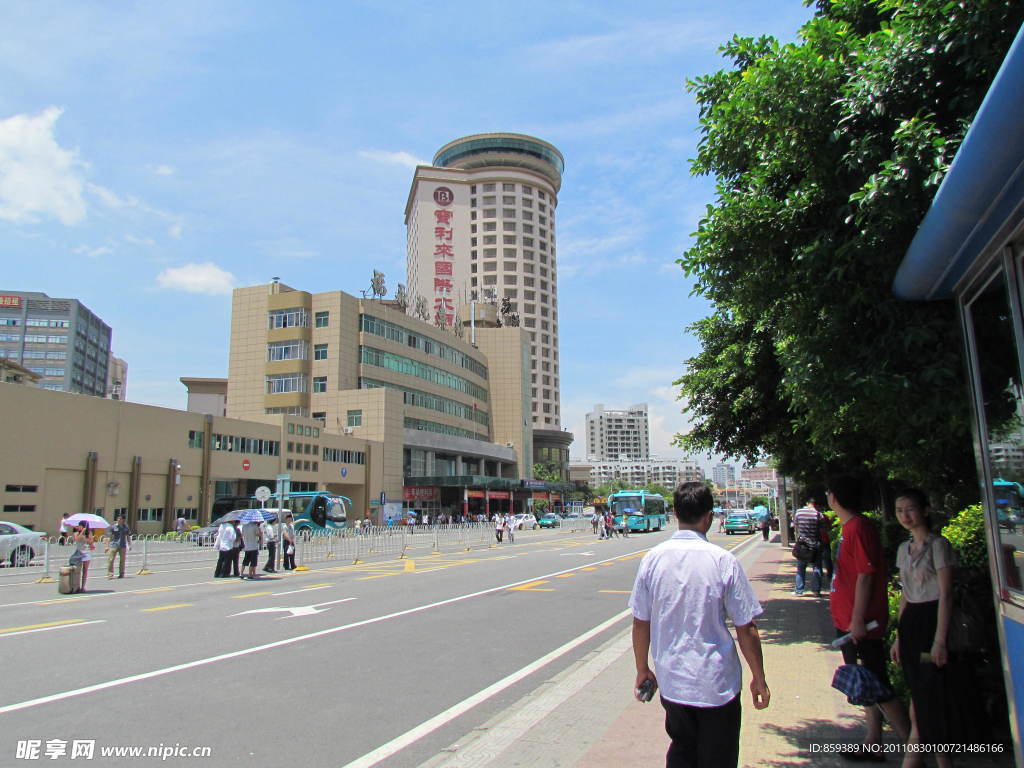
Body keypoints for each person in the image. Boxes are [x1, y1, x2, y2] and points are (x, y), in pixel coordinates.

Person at [630, 481, 769, 768]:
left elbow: (640, 621)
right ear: (708, 516)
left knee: (682, 751)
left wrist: (642, 669)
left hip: (673, 682)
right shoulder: (723, 561)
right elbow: (746, 627)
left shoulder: (652, 560)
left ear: (675, 514)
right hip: (717, 684)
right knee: (718, 757)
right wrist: (759, 676)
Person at [828, 476, 910, 758]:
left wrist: (858, 618)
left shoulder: (858, 528)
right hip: (849, 620)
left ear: (835, 498)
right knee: (864, 683)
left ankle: (914, 751)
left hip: (860, 624)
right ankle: (873, 743)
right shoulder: (849, 527)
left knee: (878, 684)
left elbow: (865, 575)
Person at [890, 488, 968, 767]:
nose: (905, 516)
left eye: (910, 509)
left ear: (924, 510)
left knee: (928, 697)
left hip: (933, 623)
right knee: (920, 697)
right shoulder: (903, 549)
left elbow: (946, 595)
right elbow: (905, 596)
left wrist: (939, 640)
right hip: (911, 625)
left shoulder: (939, 546)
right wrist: (898, 636)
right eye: (899, 511)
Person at [793, 498, 826, 596]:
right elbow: (823, 528)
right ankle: (816, 591)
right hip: (815, 544)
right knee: (816, 568)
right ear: (816, 504)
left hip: (803, 544)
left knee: (800, 568)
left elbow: (795, 525)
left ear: (807, 503)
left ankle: (799, 590)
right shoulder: (818, 514)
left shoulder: (798, 512)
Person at [106, 513, 131, 579]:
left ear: (123, 520)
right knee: (111, 560)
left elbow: (128, 536)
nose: (118, 520)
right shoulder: (113, 527)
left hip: (123, 545)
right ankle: (110, 574)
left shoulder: (126, 527)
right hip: (114, 545)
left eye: (120, 518)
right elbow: (110, 537)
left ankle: (121, 574)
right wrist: (107, 546)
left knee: (122, 560)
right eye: (118, 518)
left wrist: (129, 544)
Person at [72, 521, 95, 591]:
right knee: (76, 571)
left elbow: (91, 542)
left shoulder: (89, 533)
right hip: (78, 554)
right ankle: (76, 586)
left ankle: (83, 587)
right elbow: (77, 540)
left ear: (84, 526)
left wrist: (88, 539)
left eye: (80, 526)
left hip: (86, 553)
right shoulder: (76, 533)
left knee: (85, 571)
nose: (78, 527)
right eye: (78, 526)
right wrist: (82, 532)